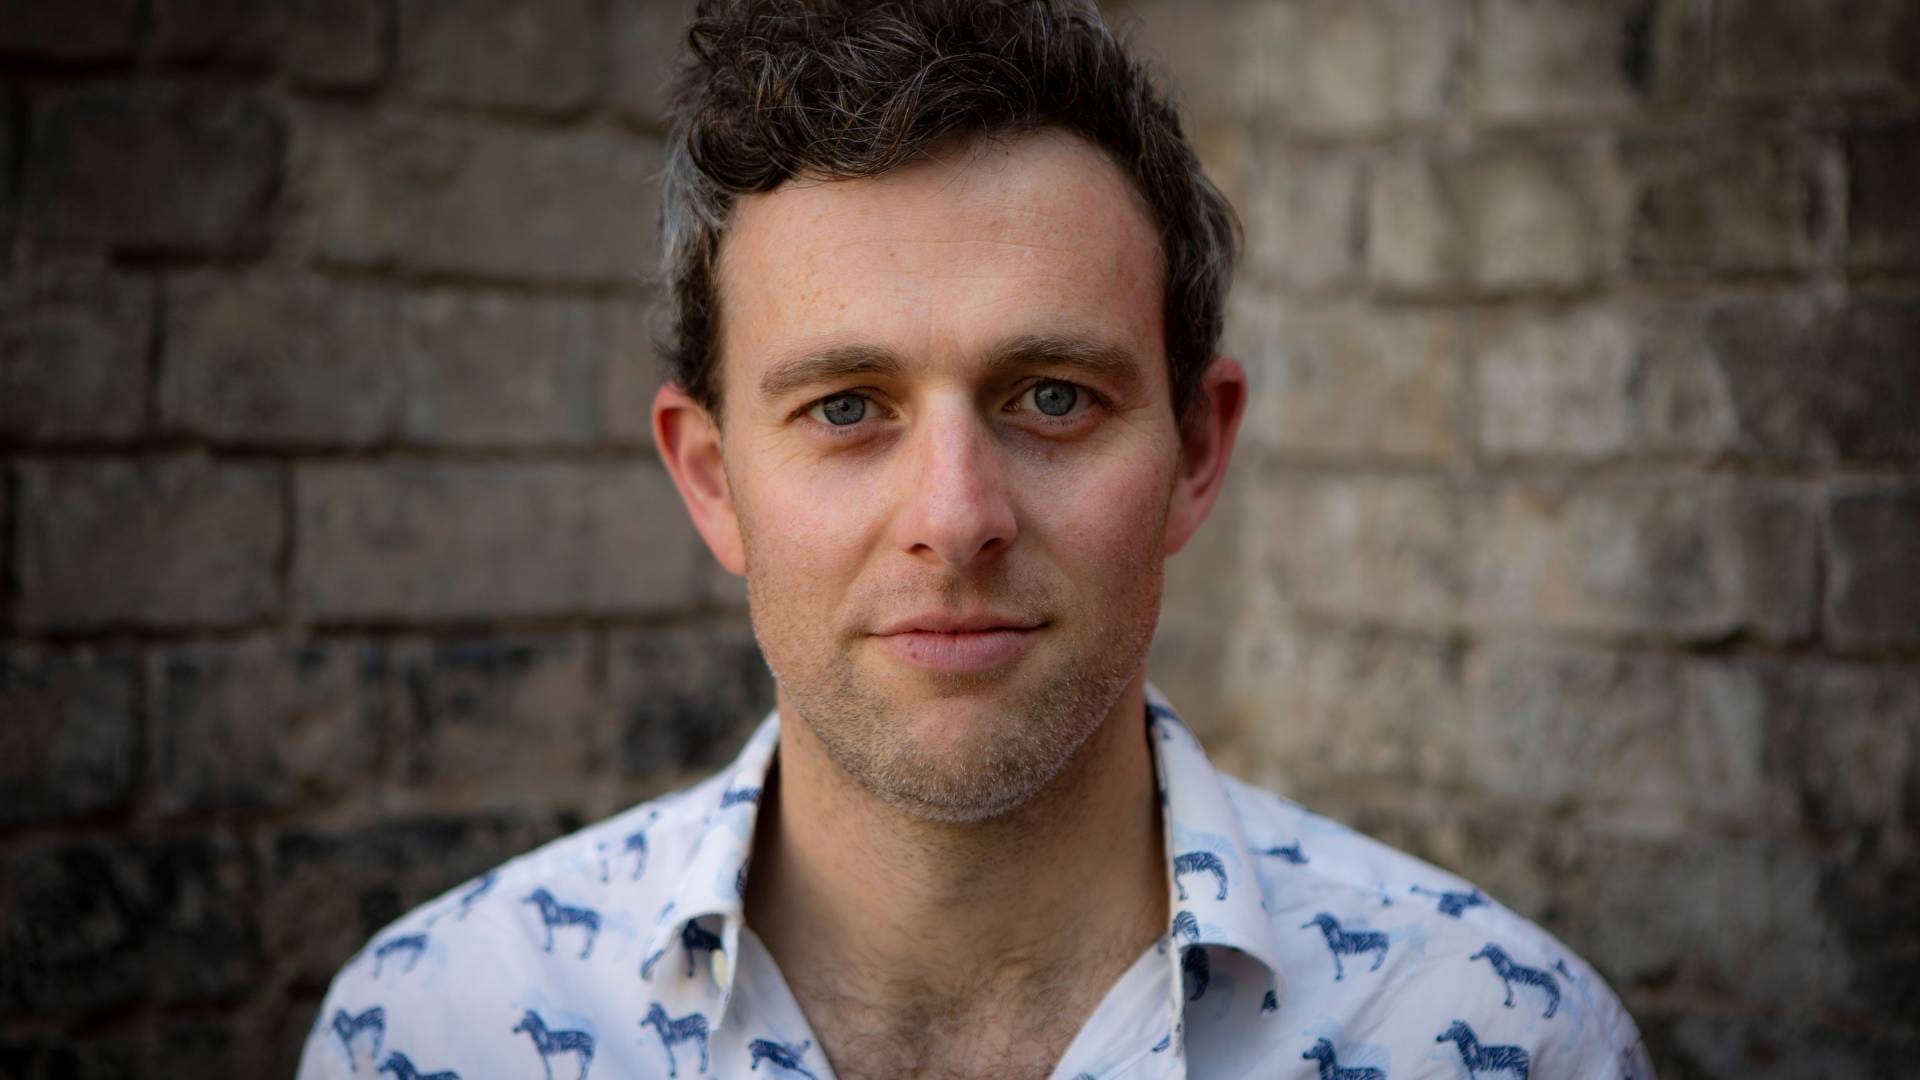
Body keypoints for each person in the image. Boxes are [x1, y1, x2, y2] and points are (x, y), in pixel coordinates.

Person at [299, 2, 1654, 1077]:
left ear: (1197, 453)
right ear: (712, 482)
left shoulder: (1502, 1039)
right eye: (846, 408)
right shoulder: (433, 1032)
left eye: (1052, 398)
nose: (955, 520)